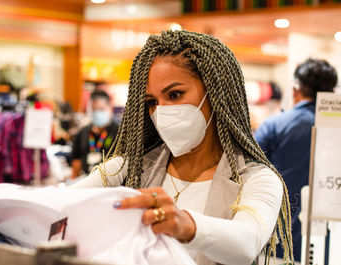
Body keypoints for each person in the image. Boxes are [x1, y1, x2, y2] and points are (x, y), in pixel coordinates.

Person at [71, 30, 294, 265]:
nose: (161, 111)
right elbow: (63, 202)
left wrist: (186, 225)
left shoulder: (257, 180)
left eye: (175, 94)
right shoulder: (129, 168)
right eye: (152, 102)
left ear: (216, 93)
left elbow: (247, 242)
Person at [254, 58, 338, 262]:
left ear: (295, 90)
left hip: (278, 238)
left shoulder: (275, 125)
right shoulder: (337, 128)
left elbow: (249, 169)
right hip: (329, 241)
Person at [71, 90, 119, 178]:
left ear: (109, 109)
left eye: (101, 109)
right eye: (94, 110)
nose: (97, 113)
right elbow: (76, 163)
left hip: (111, 181)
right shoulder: (82, 133)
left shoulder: (119, 132)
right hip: (87, 179)